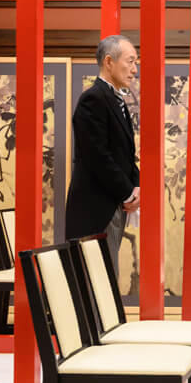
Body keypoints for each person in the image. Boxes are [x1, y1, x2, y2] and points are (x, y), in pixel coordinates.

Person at [65, 34, 140, 281]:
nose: (134, 69)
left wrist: (136, 186)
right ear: (109, 61)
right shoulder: (93, 98)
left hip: (112, 202)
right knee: (98, 279)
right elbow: (98, 156)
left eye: (135, 63)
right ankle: (99, 323)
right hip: (96, 207)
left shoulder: (114, 99)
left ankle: (104, 322)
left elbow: (124, 154)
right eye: (130, 61)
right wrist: (128, 192)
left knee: (105, 276)